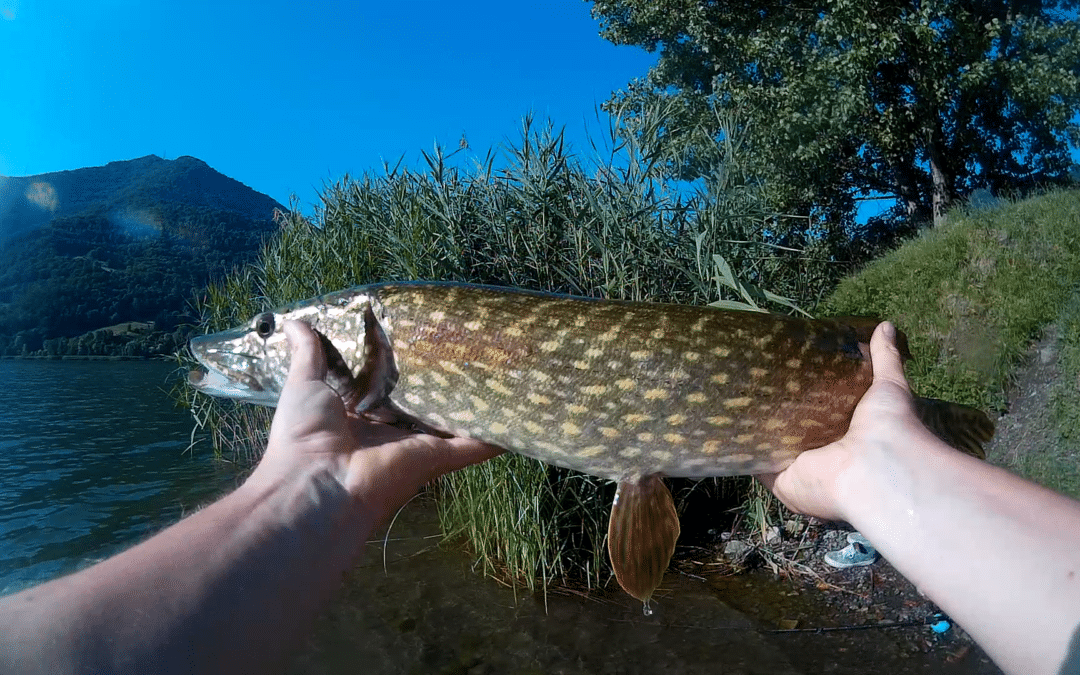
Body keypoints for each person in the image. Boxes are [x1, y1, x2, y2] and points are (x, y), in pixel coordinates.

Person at [0, 320, 1077, 675]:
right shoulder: (390, 359)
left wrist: (893, 456)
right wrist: (897, 478)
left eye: (276, 329)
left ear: (358, 332)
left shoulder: (377, 340)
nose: (253, 348)